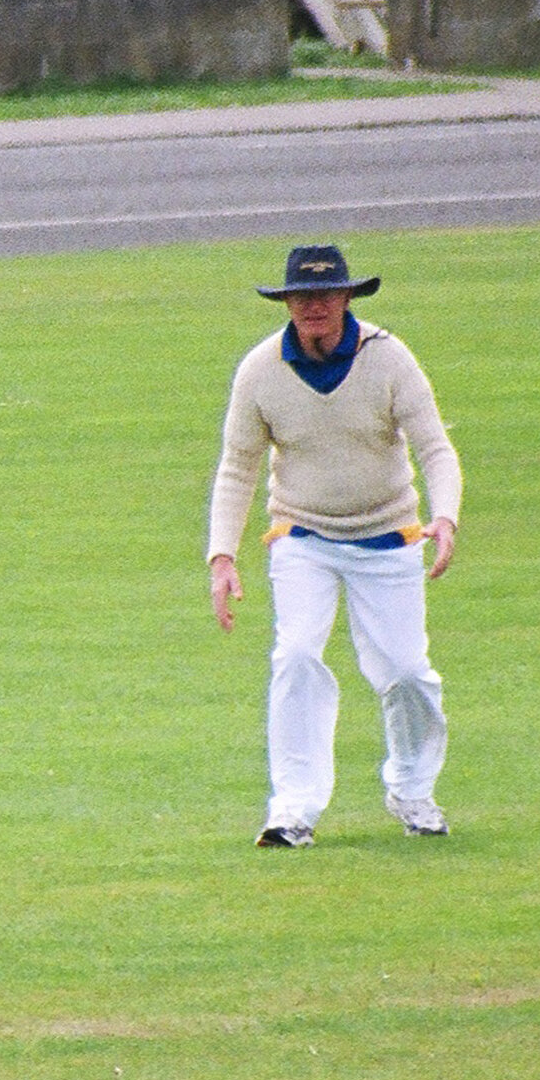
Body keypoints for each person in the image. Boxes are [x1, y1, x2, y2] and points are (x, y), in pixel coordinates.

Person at [207, 242, 464, 846]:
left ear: (347, 297)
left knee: (406, 672)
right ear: (286, 303)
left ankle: (413, 791)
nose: (313, 306)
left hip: (389, 535)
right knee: (296, 655)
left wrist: (445, 518)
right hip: (303, 534)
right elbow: (238, 467)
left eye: (325, 294)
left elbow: (434, 447)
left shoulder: (389, 357)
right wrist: (222, 555)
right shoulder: (261, 369)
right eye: (302, 297)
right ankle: (292, 810)